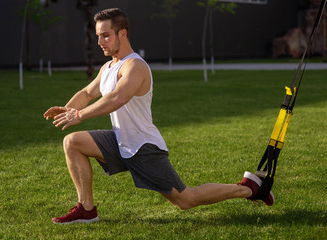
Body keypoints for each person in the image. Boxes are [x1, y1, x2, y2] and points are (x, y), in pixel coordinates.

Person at [44, 8, 274, 225]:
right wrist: (67, 110)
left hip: (144, 147)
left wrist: (80, 115)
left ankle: (248, 188)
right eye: (98, 36)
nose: (99, 42)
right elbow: (87, 92)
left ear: (122, 34)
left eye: (105, 35)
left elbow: (117, 98)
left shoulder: (135, 66)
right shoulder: (108, 68)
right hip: (120, 140)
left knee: (185, 200)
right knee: (72, 142)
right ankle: (86, 209)